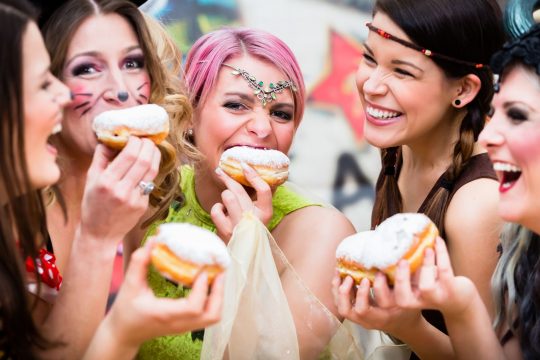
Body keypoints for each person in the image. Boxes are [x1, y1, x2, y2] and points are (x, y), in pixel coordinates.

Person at [0, 0, 223, 358]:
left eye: (133, 63)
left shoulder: (150, 194)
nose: (120, 90)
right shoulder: (15, 209)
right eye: (87, 69)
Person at [127, 27, 358, 359]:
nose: (263, 129)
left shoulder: (325, 234)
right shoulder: (151, 196)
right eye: (236, 105)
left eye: (281, 113)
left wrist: (247, 254)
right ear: (190, 114)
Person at [333, 0, 505, 358]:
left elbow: (484, 354)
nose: (371, 85)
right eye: (369, 58)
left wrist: (407, 327)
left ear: (463, 90)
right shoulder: (402, 146)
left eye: (402, 71)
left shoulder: (478, 205)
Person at [368, 23, 540, 360]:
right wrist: (458, 304)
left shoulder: (478, 202)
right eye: (495, 113)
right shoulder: (527, 252)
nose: (488, 137)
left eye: (517, 115)